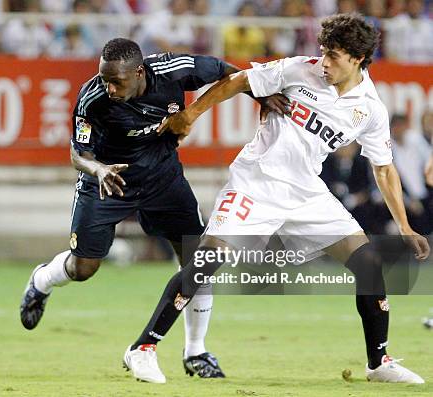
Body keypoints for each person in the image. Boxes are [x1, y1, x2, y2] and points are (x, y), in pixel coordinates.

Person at [122, 13, 430, 384]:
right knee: (206, 261)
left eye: (333, 55)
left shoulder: (371, 109)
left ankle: (379, 362)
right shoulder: (299, 70)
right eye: (323, 51)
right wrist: (190, 115)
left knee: (368, 263)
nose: (324, 61)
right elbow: (237, 80)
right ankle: (143, 348)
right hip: (256, 181)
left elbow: (384, 168)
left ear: (357, 58)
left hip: (306, 191)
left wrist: (404, 225)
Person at [19, 38, 287, 380]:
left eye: (117, 81)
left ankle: (196, 351)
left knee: (197, 260)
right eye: (104, 79)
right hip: (107, 182)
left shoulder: (174, 70)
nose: (110, 88)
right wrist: (99, 169)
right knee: (84, 267)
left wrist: (259, 94)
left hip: (162, 178)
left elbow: (227, 73)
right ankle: (42, 279)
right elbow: (78, 155)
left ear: (140, 72)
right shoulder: (92, 99)